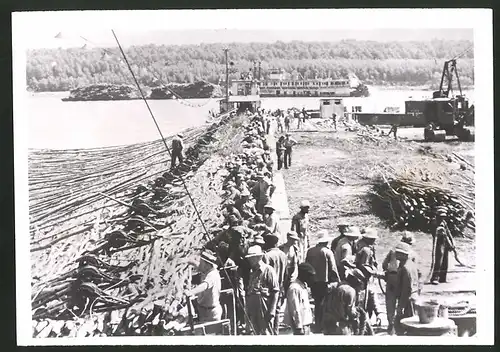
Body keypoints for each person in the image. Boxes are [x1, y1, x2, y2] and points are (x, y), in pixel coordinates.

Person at [305, 230, 339, 333]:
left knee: (317, 303)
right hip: (325, 282)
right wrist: (337, 280)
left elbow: (307, 266)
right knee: (326, 303)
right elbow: (333, 268)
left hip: (314, 282)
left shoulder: (310, 251)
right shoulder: (327, 252)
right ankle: (324, 325)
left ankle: (318, 324)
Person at [322, 268, 373, 335]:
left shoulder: (335, 285)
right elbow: (350, 312)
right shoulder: (350, 291)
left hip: (327, 323)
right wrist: (358, 314)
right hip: (340, 326)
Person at [245, 245, 280, 335]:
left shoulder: (269, 270)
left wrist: (272, 310)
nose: (250, 260)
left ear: (258, 257)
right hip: (254, 307)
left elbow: (275, 291)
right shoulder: (252, 272)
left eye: (252, 258)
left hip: (265, 307)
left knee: (266, 332)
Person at [185, 250, 223, 323]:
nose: (200, 264)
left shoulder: (212, 275)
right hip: (203, 310)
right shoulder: (206, 269)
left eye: (201, 262)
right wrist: (186, 260)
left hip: (211, 313)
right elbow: (196, 264)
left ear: (207, 264)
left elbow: (204, 286)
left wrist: (191, 292)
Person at [263, 233, 288, 334]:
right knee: (277, 311)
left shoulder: (267, 256)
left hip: (269, 288)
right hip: (280, 286)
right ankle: (276, 332)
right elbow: (287, 273)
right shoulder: (283, 255)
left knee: (268, 312)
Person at [394, 242, 420, 335]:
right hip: (413, 297)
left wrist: (401, 306)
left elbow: (406, 289)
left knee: (402, 324)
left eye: (398, 253)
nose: (395, 254)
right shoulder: (410, 264)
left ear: (403, 255)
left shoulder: (406, 268)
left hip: (407, 300)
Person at [283, 263, 316, 335]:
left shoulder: (302, 287)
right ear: (304, 275)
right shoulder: (294, 288)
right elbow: (295, 309)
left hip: (306, 324)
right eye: (310, 276)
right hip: (300, 327)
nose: (312, 279)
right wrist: (299, 327)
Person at [430, 207, 455, 285]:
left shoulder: (443, 222)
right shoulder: (434, 223)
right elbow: (440, 234)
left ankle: (443, 278)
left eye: (443, 216)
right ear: (437, 215)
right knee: (438, 261)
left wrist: (452, 241)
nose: (442, 218)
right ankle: (435, 278)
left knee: (445, 260)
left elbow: (448, 232)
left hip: (445, 242)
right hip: (439, 243)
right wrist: (449, 243)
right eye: (441, 216)